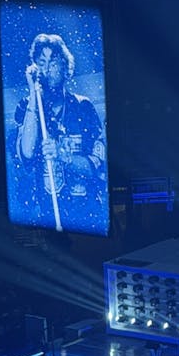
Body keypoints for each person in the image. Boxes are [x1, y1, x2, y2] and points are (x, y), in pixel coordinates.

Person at [14, 32, 107, 233]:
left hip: (87, 217)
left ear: (65, 67)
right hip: (49, 220)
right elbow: (27, 153)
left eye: (53, 63)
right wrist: (32, 94)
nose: (47, 70)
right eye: (42, 63)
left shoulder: (83, 107)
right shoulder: (29, 107)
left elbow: (97, 167)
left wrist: (64, 157)